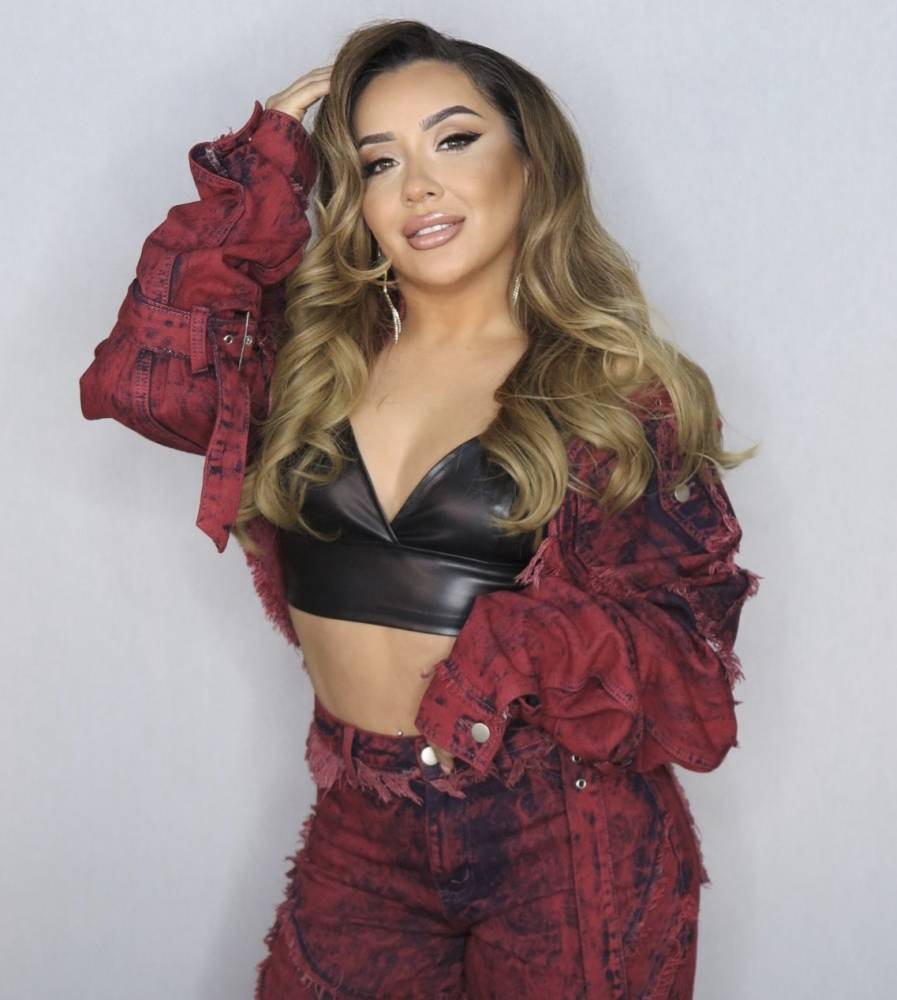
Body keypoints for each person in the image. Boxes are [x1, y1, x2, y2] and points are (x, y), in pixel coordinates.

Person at [80, 18, 761, 1000]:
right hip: (364, 824)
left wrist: (531, 642)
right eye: (378, 162)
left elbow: (691, 662)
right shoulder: (313, 364)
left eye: (454, 140)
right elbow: (143, 388)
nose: (417, 186)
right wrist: (261, 169)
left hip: (561, 836)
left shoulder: (608, 389)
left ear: (531, 164)